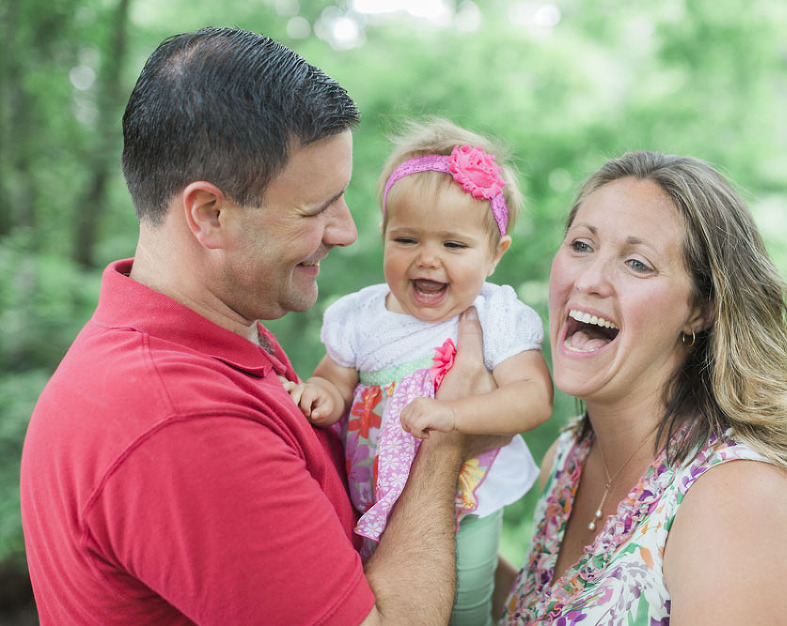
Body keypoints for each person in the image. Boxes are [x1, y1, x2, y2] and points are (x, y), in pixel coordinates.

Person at [20, 27, 497, 625]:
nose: (346, 231)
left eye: (342, 197)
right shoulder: (181, 418)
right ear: (211, 214)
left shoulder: (215, 336)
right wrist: (446, 435)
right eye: (316, 207)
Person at [492, 150, 787, 624]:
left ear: (701, 310)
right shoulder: (567, 460)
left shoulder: (743, 498)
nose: (589, 281)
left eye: (636, 264)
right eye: (581, 246)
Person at [283, 118, 554, 625]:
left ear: (495, 255)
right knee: (385, 594)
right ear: (384, 234)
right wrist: (319, 394)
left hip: (466, 498)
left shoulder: (494, 315)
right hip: (368, 500)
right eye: (407, 240)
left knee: (466, 600)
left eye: (454, 246)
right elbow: (334, 381)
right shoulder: (362, 316)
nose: (428, 259)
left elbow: (533, 397)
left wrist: (455, 413)